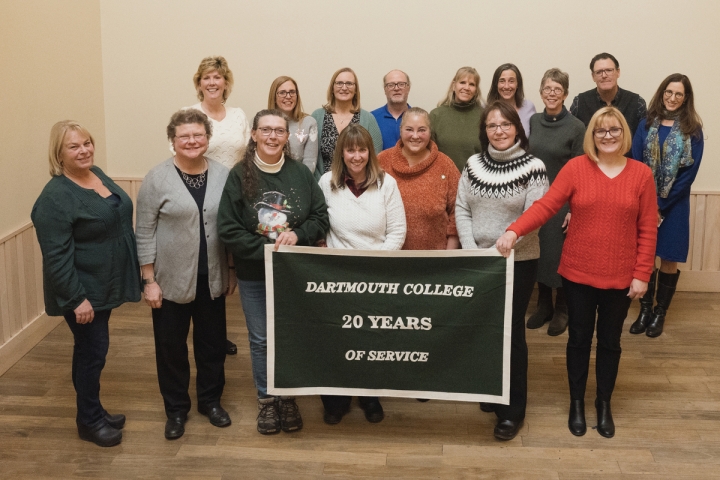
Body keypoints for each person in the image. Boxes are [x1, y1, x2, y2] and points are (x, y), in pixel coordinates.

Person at [496, 106, 657, 439]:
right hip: (578, 272)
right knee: (579, 339)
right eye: (601, 131)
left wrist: (642, 274)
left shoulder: (641, 174)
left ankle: (603, 403)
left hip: (621, 277)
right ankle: (577, 404)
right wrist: (514, 231)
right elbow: (546, 206)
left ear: (623, 134)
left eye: (614, 130)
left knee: (610, 342)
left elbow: (647, 229)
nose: (608, 136)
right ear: (592, 136)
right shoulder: (576, 168)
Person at [218, 109, 328, 435]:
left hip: (293, 272)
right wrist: (264, 250)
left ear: (287, 136)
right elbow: (228, 229)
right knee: (261, 338)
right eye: (265, 130)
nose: (272, 136)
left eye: (279, 131)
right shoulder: (239, 175)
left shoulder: (300, 174)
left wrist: (298, 235)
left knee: (289, 335)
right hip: (254, 272)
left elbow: (320, 218)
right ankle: (267, 399)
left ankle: (288, 396)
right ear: (253, 135)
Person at [32, 121, 141, 447]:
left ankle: (94, 411)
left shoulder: (97, 175)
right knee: (92, 353)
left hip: (104, 284)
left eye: (87, 143)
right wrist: (77, 298)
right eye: (74, 146)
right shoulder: (55, 198)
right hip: (83, 291)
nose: (84, 150)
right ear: (59, 154)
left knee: (92, 351)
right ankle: (89, 421)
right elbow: (56, 257)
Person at [136, 109, 233, 440]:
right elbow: (144, 231)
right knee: (171, 348)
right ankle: (176, 409)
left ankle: (210, 402)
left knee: (212, 345)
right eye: (184, 136)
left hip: (212, 277)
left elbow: (230, 226)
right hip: (169, 280)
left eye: (198, 135)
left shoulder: (223, 175)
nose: (192, 141)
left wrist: (230, 269)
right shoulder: (157, 178)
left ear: (207, 138)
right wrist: (148, 281)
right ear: (172, 141)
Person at [455, 101, 549, 441]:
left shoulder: (534, 167)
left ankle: (512, 411)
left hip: (517, 262)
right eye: (492, 125)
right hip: (479, 261)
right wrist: (470, 249)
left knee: (510, 333)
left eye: (505, 125)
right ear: (485, 130)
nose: (499, 130)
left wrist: (504, 244)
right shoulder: (473, 164)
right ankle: (491, 391)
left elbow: (536, 216)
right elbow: (462, 207)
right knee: (484, 329)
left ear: (517, 128)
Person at [318, 123, 406, 423]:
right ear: (342, 152)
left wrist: (371, 266)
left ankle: (369, 395)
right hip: (337, 278)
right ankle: (336, 398)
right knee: (336, 339)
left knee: (370, 341)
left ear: (371, 152)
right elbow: (320, 229)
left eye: (362, 149)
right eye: (350, 149)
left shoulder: (387, 184)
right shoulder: (326, 183)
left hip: (375, 276)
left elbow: (397, 233)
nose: (356, 156)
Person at [629, 74, 704, 338]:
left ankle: (660, 313)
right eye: (668, 92)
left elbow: (688, 175)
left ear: (686, 98)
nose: (672, 98)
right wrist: (649, 202)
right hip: (645, 203)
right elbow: (636, 163)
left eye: (679, 94)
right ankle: (645, 310)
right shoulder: (646, 124)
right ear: (662, 93)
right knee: (646, 257)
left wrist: (662, 203)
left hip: (674, 206)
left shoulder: (692, 130)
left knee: (669, 258)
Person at [185, 55, 249, 356]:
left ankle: (217, 334)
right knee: (205, 261)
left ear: (226, 83)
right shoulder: (188, 114)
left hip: (233, 195)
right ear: (199, 84)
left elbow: (249, 154)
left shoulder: (238, 115)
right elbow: (179, 151)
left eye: (217, 77)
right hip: (199, 194)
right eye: (206, 78)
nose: (212, 82)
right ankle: (203, 333)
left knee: (225, 266)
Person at [525, 68, 585, 336]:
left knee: (559, 255)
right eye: (547, 89)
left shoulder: (576, 126)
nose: (552, 93)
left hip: (562, 202)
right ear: (540, 92)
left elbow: (581, 170)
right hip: (536, 199)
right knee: (538, 252)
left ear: (565, 94)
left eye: (557, 89)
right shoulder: (534, 121)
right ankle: (543, 305)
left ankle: (563, 308)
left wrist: (574, 208)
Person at [378, 107, 460, 250]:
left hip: (435, 260)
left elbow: (457, 213)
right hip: (388, 259)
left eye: (422, 130)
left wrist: (448, 257)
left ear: (430, 132)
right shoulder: (381, 161)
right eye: (409, 129)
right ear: (400, 130)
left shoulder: (445, 165)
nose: (415, 136)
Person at [312, 67, 383, 179]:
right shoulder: (317, 116)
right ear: (332, 88)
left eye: (349, 83)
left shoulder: (368, 119)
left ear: (355, 90)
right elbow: (311, 156)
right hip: (323, 186)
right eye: (339, 83)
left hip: (359, 186)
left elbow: (376, 157)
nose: (344, 88)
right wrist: (320, 183)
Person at [569, 53, 647, 138]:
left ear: (618, 72)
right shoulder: (579, 102)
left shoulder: (637, 103)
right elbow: (571, 137)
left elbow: (644, 140)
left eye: (609, 70)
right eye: (599, 72)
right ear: (593, 76)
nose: (604, 75)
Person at [429, 66, 484, 171]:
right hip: (443, 181)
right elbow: (429, 155)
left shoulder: (485, 116)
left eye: (472, 84)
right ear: (454, 86)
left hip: (476, 182)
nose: (467, 87)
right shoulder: (436, 115)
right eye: (462, 82)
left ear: (476, 90)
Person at [267, 75, 318, 172]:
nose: (288, 96)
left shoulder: (309, 123)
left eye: (292, 92)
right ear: (274, 97)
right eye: (282, 93)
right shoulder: (261, 122)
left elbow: (310, 163)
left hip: (299, 182)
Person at [486, 63, 536, 136]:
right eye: (502, 81)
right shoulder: (486, 109)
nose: (506, 86)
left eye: (511, 81)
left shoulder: (528, 107)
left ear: (518, 84)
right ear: (496, 84)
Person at [371, 69, 412, 151]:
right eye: (391, 85)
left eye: (401, 84)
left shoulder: (418, 118)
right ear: (385, 90)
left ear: (408, 88)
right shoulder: (372, 118)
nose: (396, 88)